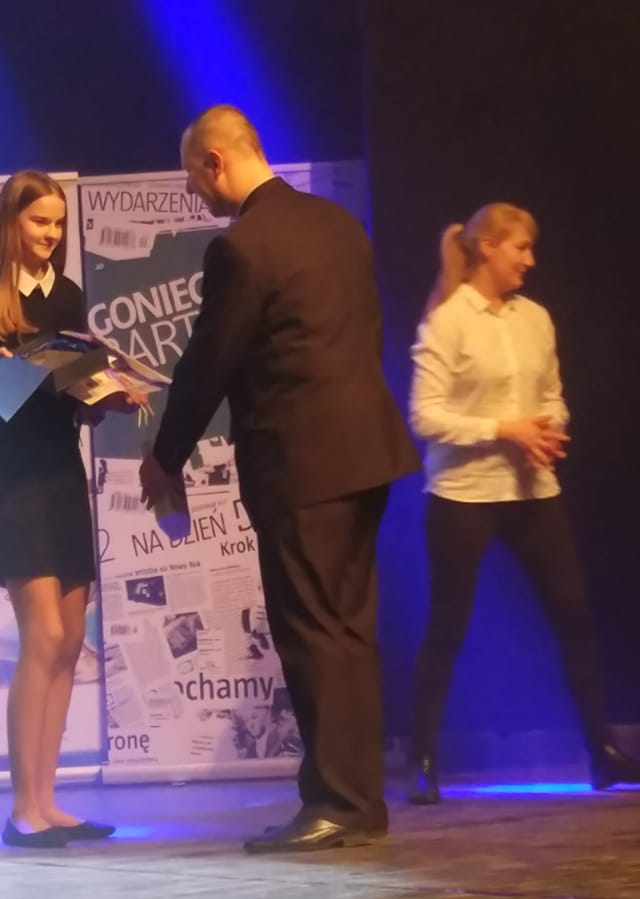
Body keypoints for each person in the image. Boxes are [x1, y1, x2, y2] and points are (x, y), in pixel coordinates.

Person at [139, 105, 421, 853]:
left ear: (214, 161)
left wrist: (165, 454)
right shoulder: (339, 225)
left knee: (310, 632)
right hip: (367, 453)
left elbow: (209, 363)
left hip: (302, 462)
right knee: (349, 629)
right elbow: (365, 335)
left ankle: (334, 803)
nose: (194, 193)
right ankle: (359, 800)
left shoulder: (242, 247)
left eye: (193, 177)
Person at [405, 204, 640, 804]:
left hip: (532, 490)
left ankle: (601, 750)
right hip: (463, 494)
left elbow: (552, 396)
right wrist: (504, 429)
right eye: (520, 247)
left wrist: (546, 430)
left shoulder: (536, 318)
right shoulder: (448, 321)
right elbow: (424, 416)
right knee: (448, 625)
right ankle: (421, 759)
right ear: (488, 247)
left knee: (574, 612)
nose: (530, 260)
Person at [0, 170, 138, 848]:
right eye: (38, 222)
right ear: (11, 222)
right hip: (10, 470)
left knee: (72, 638)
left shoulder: (68, 294)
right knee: (43, 634)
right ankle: (22, 808)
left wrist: (106, 397)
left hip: (59, 467)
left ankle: (48, 801)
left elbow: (73, 385)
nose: (50, 234)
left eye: (57, 223)